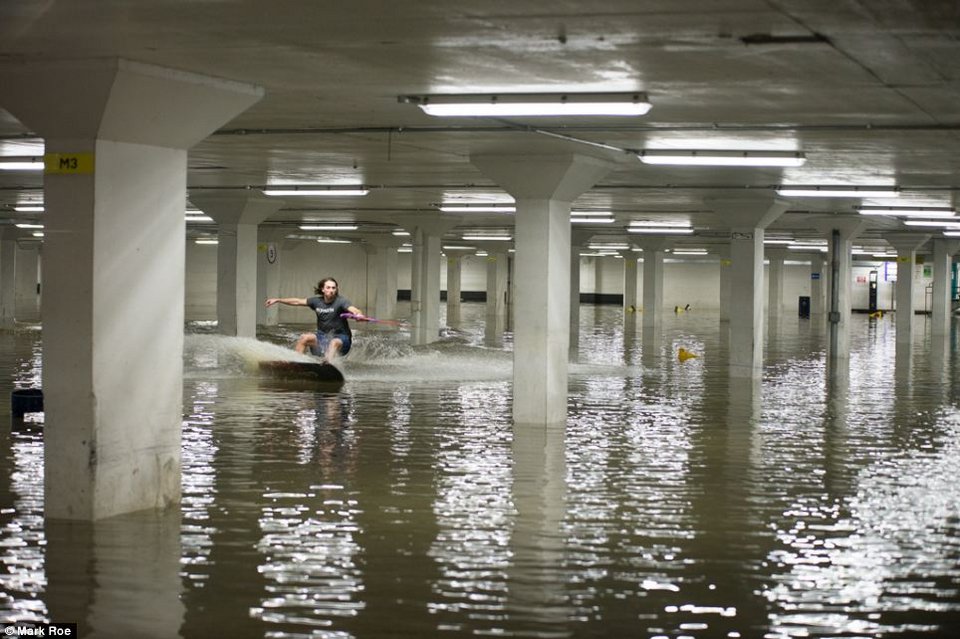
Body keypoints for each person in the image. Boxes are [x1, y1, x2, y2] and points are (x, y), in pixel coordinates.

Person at [265, 277, 365, 361]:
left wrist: (359, 315)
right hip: (322, 338)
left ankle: (328, 366)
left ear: (336, 289)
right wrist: (278, 300)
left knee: (333, 342)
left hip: (342, 340)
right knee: (305, 338)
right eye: (328, 287)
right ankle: (296, 364)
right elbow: (297, 301)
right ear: (323, 289)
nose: (331, 290)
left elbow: (354, 309)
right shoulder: (316, 301)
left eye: (333, 288)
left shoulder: (341, 301)